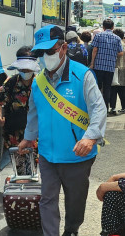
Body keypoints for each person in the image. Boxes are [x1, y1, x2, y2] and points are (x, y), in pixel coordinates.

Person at [18, 24, 107, 236]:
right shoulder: (39, 82)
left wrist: (91, 138)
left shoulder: (82, 75)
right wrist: (29, 138)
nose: (45, 57)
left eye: (50, 51)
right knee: (47, 199)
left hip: (77, 154)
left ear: (63, 47)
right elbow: (33, 113)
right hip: (47, 154)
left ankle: (71, 229)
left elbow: (98, 109)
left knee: (75, 201)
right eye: (41, 53)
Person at [0, 46, 40, 175]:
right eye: (22, 68)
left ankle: (31, 186)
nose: (25, 71)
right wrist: (0, 117)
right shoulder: (11, 82)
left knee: (33, 162)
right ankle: (21, 186)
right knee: (19, 162)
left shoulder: (40, 83)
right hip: (14, 131)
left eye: (28, 68)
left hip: (34, 131)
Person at [90, 19, 123, 111]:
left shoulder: (98, 35)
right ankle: (105, 108)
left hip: (98, 66)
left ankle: (97, 107)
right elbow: (121, 52)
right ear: (113, 27)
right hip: (110, 67)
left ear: (103, 27)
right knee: (107, 88)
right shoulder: (117, 38)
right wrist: (112, 54)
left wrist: (92, 63)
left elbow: (94, 50)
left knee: (98, 87)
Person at [109, 29, 125, 115]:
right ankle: (124, 107)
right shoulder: (124, 44)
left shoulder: (117, 44)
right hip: (123, 68)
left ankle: (113, 108)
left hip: (115, 68)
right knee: (122, 89)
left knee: (113, 89)